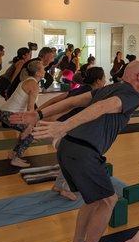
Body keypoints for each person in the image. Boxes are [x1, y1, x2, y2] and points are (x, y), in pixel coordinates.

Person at [10, 61, 139, 242]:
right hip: (83, 152)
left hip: (68, 148)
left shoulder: (107, 88)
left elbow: (72, 101)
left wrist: (39, 114)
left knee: (92, 201)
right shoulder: (131, 95)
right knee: (108, 201)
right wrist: (63, 125)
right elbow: (102, 107)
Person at [37, 67, 107, 201]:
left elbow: (54, 101)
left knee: (71, 158)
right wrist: (40, 117)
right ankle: (65, 187)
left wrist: (38, 114)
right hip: (61, 130)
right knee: (76, 158)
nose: (105, 81)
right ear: (98, 81)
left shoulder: (81, 89)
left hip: (59, 128)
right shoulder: (91, 94)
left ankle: (59, 185)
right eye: (104, 78)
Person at [0, 61, 45, 167]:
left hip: (6, 112)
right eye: (42, 69)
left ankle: (13, 154)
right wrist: (30, 127)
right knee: (31, 133)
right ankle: (16, 158)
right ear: (38, 73)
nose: (45, 70)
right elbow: (30, 108)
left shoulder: (29, 80)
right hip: (9, 113)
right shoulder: (33, 84)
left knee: (27, 131)